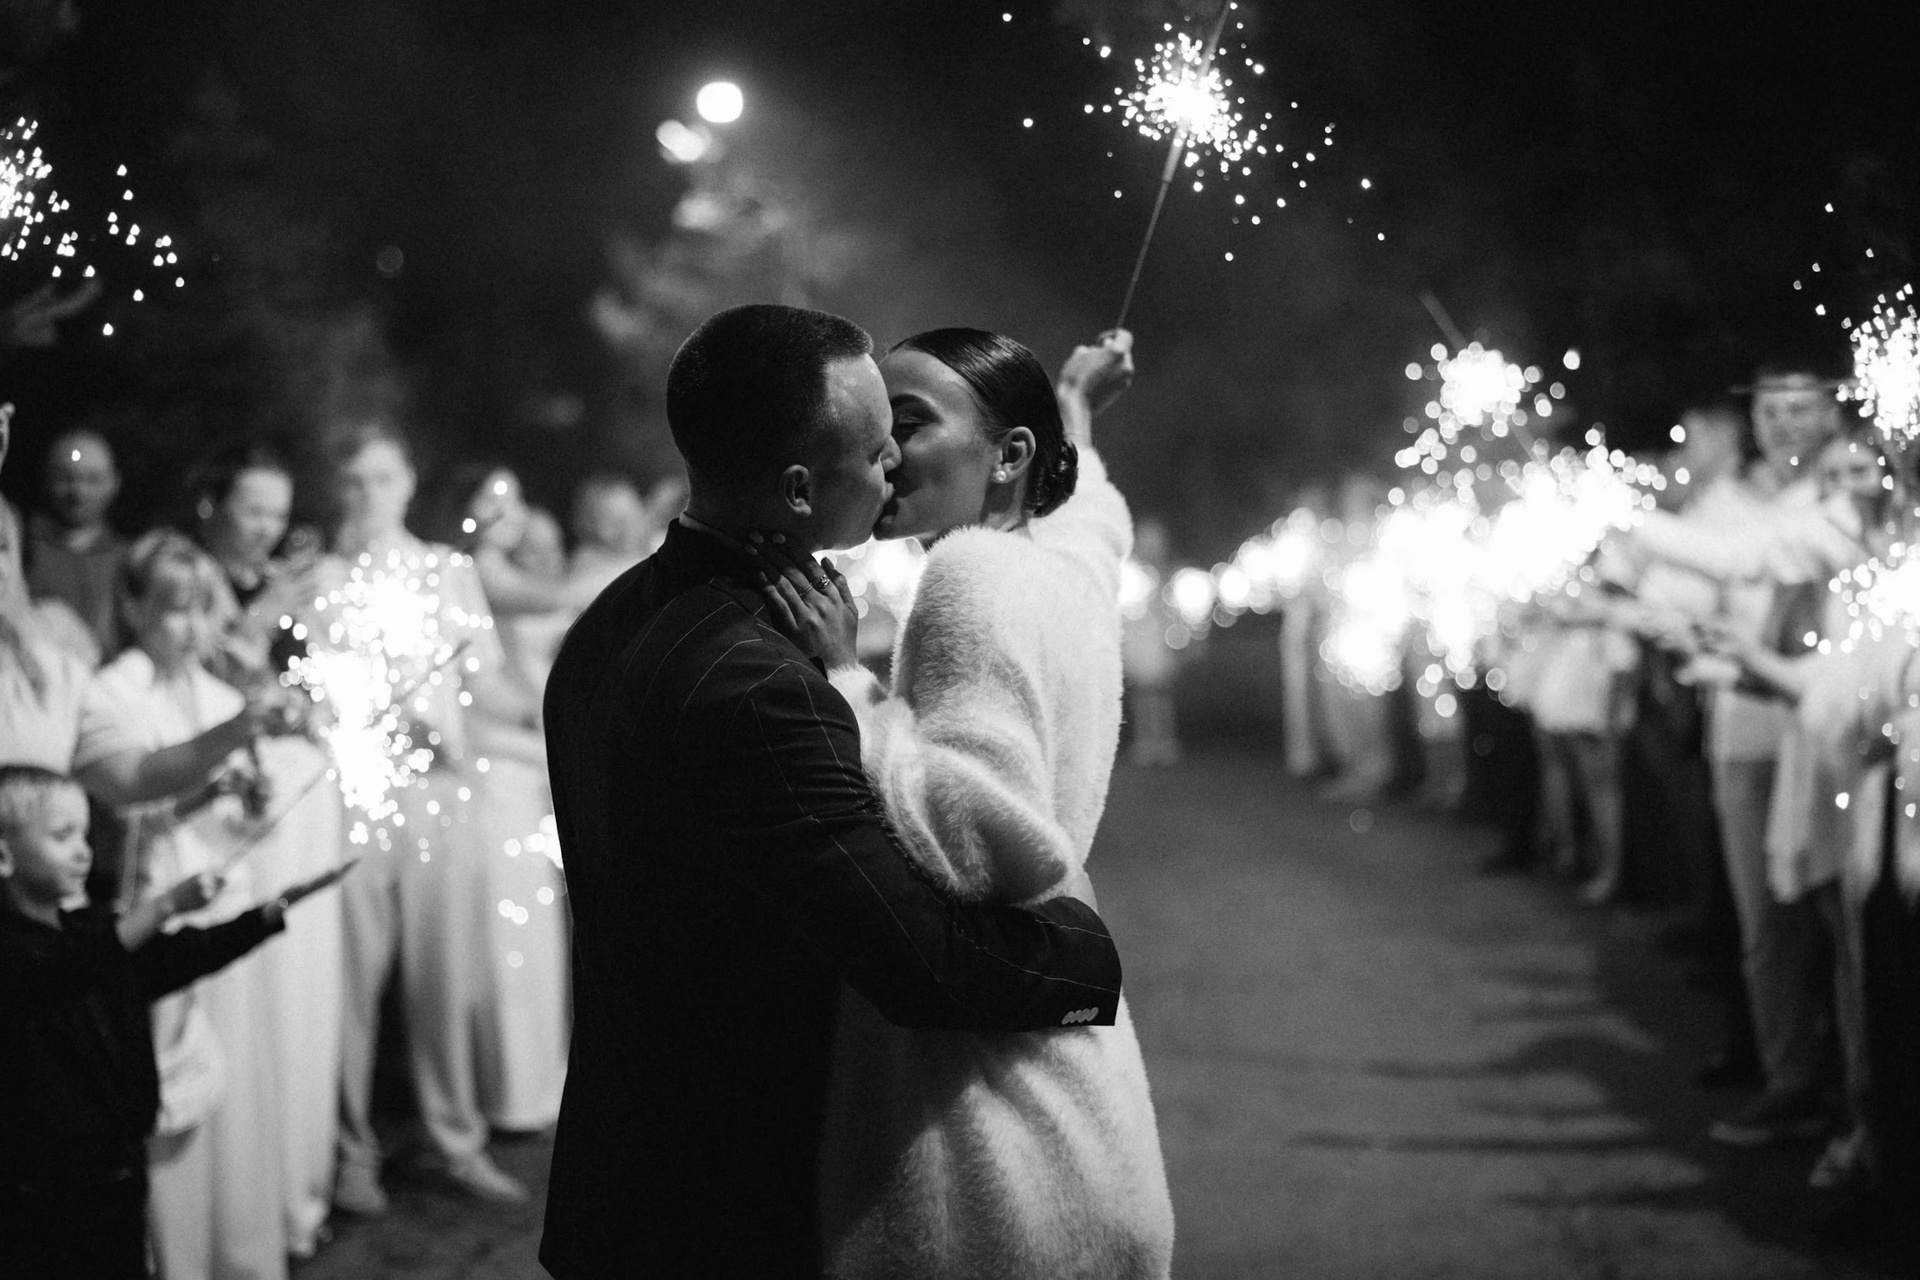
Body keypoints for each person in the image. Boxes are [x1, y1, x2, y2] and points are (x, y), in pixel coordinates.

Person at [539, 303, 1125, 1279]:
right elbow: (916, 958)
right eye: (876, 444)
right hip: (733, 1205)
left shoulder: (607, 621)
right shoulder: (758, 681)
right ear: (801, 489)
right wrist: (1086, 959)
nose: (896, 460)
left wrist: (1074, 415)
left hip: (619, 1177)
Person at [749, 327, 1172, 1279]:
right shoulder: (1062, 567)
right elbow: (1096, 516)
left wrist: (845, 682)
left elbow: (980, 838)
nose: (884, 452)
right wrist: (1074, 408)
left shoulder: (969, 577)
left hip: (986, 1125)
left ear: (1010, 454)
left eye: (907, 423)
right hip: (1077, 1101)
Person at [0, 765, 348, 1280]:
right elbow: (72, 968)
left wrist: (269, 913)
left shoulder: (86, 930)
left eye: (85, 835)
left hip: (118, 1171)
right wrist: (166, 904)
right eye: (61, 836)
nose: (83, 852)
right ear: (3, 855)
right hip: (42, 1195)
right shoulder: (17, 954)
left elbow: (176, 957)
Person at [74, 530, 306, 1280]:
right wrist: (223, 756)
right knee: (175, 1100)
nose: (192, 627)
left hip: (225, 904)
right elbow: (130, 795)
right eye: (175, 609)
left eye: (204, 609)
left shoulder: (217, 692)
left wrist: (250, 797)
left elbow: (239, 814)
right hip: (159, 915)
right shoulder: (111, 692)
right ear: (133, 606)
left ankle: (241, 1254)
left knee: (237, 1097)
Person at [318, 424, 536, 1212]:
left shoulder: (447, 572)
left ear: (408, 482)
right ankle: (351, 1153)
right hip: (355, 796)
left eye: (382, 478)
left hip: (439, 792)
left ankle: (454, 1140)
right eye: (354, 481)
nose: (368, 495)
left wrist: (555, 708)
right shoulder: (325, 577)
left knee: (446, 976)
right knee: (352, 982)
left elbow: (485, 682)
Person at [187, 444, 347, 1258]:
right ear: (212, 504)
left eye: (277, 514)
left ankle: (296, 1191)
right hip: (226, 810)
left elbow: (311, 686)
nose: (265, 529)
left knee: (302, 993)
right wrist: (271, 609)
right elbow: (213, 672)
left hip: (301, 799)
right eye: (252, 510)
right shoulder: (186, 577)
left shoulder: (283, 589)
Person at [436, 464, 573, 1133]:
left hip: (532, 759)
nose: (510, 513)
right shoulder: (474, 572)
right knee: (509, 935)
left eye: (517, 499)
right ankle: (513, 1092)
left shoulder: (505, 575)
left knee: (535, 933)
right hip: (494, 760)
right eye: (498, 502)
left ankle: (544, 1082)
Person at [25, 427, 128, 659]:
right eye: (65, 478)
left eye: (92, 480)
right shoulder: (21, 551)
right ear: (46, 480)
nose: (78, 491)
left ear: (114, 483)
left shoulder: (129, 559)